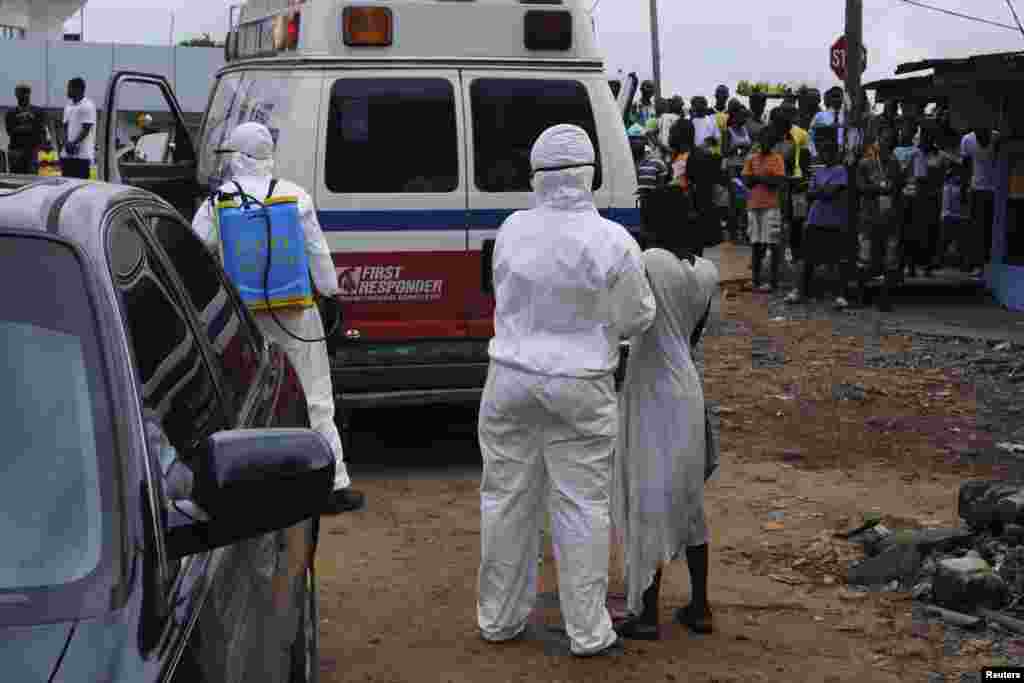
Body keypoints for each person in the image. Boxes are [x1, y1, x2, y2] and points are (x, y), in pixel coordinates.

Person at [477, 123, 656, 658]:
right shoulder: (613, 240)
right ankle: (588, 631)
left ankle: (499, 619)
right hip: (580, 386)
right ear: (591, 175)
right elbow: (638, 316)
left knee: (506, 500)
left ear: (535, 177)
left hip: (507, 379)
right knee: (582, 506)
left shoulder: (511, 229)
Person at [191, 122, 365, 515]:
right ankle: (334, 486)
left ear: (236, 156)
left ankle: (248, 489)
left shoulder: (218, 202)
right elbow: (318, 253)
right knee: (317, 397)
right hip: (297, 312)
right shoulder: (295, 196)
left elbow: (196, 255)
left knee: (243, 397)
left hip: (244, 318)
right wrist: (333, 295)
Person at [611, 210, 720, 641]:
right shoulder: (707, 273)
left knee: (647, 496)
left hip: (651, 385)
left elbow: (630, 318)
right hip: (687, 386)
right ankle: (700, 606)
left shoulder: (650, 260)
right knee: (689, 501)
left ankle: (647, 613)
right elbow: (691, 337)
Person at [785, 128, 856, 309]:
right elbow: (811, 194)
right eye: (823, 152)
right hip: (815, 218)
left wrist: (819, 191)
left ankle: (839, 295)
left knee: (837, 260)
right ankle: (798, 291)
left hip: (834, 220)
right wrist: (822, 191)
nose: (825, 155)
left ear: (834, 154)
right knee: (806, 258)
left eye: (828, 152)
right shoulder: (819, 172)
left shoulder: (841, 170)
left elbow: (831, 193)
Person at [907, 122, 956, 278]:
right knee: (915, 232)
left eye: (928, 136)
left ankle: (927, 266)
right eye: (924, 136)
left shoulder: (940, 155)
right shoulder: (915, 153)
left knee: (931, 232)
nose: (925, 139)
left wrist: (943, 179)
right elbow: (916, 177)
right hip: (918, 198)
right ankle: (912, 266)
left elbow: (958, 166)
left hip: (933, 199)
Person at [669, 118, 723, 256]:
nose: (669, 136)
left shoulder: (695, 157)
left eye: (672, 133)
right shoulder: (677, 156)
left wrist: (694, 210)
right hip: (679, 212)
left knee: (692, 256)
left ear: (682, 135)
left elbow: (700, 187)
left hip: (691, 214)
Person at [743, 125, 787, 291]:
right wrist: (766, 178)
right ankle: (755, 280)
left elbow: (778, 182)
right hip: (753, 205)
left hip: (771, 206)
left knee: (772, 243)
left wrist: (758, 178)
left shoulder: (777, 159)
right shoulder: (751, 158)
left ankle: (773, 281)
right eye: (763, 140)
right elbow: (747, 181)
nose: (765, 143)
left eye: (768, 140)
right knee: (755, 243)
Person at [960, 125, 1000, 276]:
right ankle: (977, 264)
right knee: (977, 229)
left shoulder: (997, 137)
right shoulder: (967, 140)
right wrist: (964, 190)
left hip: (995, 190)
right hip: (976, 189)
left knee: (991, 228)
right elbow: (965, 167)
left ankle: (990, 264)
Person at [5, 84, 47, 175]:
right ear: (16, 95)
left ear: (29, 94)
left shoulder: (38, 111)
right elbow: (10, 131)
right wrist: (28, 127)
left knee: (34, 179)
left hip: (34, 151)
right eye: (20, 93)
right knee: (16, 178)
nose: (23, 96)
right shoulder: (10, 113)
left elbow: (40, 129)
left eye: (25, 93)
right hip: (16, 151)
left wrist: (31, 119)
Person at [61, 78, 97, 180]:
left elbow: (86, 129)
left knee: (80, 188)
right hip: (67, 155)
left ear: (78, 89)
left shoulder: (88, 105)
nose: (67, 90)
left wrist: (73, 143)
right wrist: (66, 143)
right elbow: (65, 127)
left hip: (82, 156)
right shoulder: (68, 106)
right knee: (66, 185)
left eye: (69, 88)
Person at [808, 87, 846, 160]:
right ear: (829, 98)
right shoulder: (820, 116)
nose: (837, 99)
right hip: (824, 156)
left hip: (845, 156)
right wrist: (814, 154)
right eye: (834, 96)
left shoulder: (846, 116)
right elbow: (810, 136)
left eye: (839, 96)